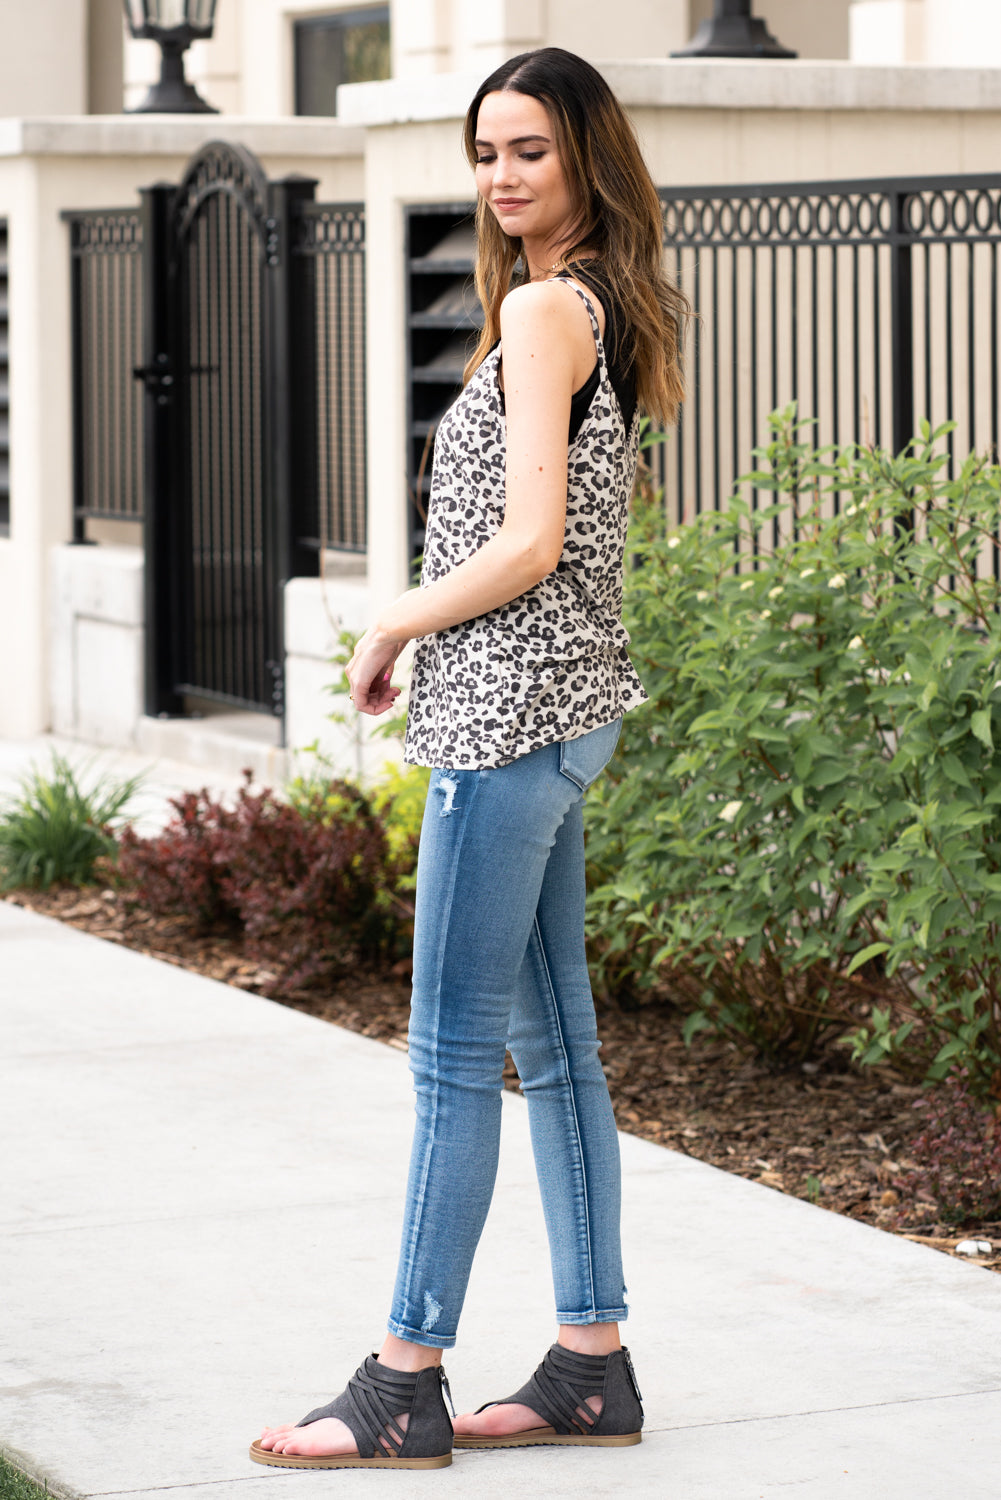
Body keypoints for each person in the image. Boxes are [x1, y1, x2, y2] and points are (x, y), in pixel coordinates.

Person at [250, 45, 688, 1472]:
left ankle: (401, 1375)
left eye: (529, 154)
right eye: (485, 153)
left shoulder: (553, 313)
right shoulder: (594, 301)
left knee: (451, 1060)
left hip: (505, 726)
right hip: (557, 717)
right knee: (555, 1052)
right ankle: (588, 1365)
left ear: (583, 161)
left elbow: (530, 543)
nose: (500, 179)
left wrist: (391, 620)